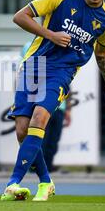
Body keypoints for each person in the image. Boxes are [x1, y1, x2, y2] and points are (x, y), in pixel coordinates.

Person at [3, 0, 105, 201]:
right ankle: (46, 182)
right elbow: (20, 16)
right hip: (34, 65)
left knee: (40, 117)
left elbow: (102, 53)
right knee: (21, 130)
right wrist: (50, 35)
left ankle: (12, 183)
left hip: (62, 71)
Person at [20, 41, 72, 173]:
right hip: (39, 104)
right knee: (40, 138)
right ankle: (35, 167)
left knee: (53, 140)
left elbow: (67, 84)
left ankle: (47, 168)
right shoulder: (29, 45)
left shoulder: (60, 45)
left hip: (59, 106)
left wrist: (69, 109)